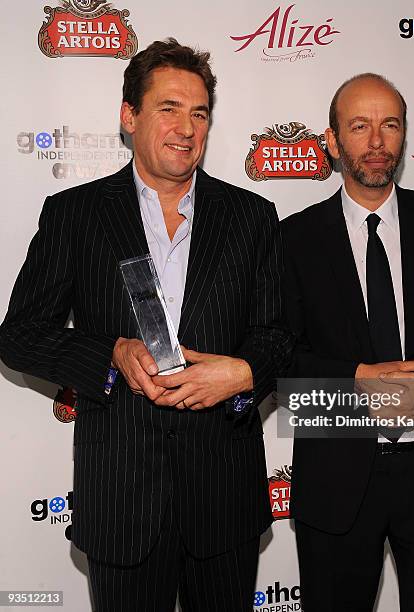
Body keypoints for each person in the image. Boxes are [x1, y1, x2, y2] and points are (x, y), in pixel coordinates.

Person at [0, 39, 289, 612]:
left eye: (199, 112)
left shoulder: (251, 216)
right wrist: (109, 353)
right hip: (121, 502)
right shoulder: (75, 214)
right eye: (169, 108)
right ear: (129, 116)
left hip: (223, 499)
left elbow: (280, 335)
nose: (186, 127)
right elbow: (19, 333)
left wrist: (243, 373)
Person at [281, 73, 414, 611]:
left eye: (390, 125)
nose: (377, 142)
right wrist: (357, 380)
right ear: (331, 142)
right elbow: (282, 359)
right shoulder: (294, 238)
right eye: (359, 126)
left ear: (404, 136)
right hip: (336, 478)